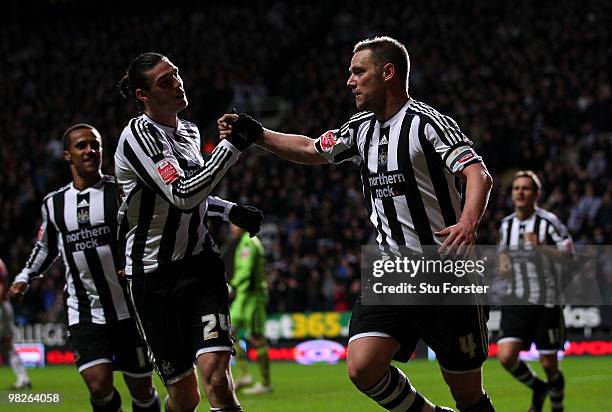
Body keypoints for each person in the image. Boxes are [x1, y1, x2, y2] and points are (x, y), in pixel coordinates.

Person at [219, 36, 494, 412]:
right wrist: (258, 135)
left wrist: (467, 222)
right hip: (393, 269)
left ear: (388, 73)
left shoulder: (426, 124)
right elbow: (311, 149)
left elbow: (478, 174)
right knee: (362, 368)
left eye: (358, 72)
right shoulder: (360, 129)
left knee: (468, 396)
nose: (349, 80)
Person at [114, 52, 261, 412]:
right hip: (152, 278)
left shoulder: (190, 132)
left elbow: (193, 194)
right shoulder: (137, 137)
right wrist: (230, 147)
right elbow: (181, 194)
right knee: (184, 395)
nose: (177, 82)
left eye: (176, 74)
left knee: (216, 377)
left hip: (200, 268)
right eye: (165, 81)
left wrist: (230, 211)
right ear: (142, 96)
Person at [9, 124, 161, 412]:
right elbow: (45, 247)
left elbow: (148, 234)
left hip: (131, 309)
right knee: (98, 385)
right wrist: (24, 277)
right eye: (82, 146)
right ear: (68, 155)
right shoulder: (54, 204)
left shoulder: (121, 192)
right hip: (85, 310)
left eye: (96, 145)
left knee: (142, 390)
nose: (91, 150)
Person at [497, 171, 571, 412]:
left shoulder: (548, 223)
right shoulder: (506, 224)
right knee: (506, 357)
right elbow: (503, 254)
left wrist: (541, 248)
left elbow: (569, 255)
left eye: (525, 188)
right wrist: (503, 264)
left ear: (536, 194)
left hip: (546, 302)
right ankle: (538, 388)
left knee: (549, 363)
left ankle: (557, 406)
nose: (520, 192)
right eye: (516, 188)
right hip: (516, 300)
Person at [227, 223, 271, 395]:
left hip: (253, 297)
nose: (231, 227)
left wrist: (232, 286)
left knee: (256, 337)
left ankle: (265, 383)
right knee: (230, 332)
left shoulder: (249, 243)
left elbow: (246, 272)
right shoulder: (243, 243)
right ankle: (245, 375)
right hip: (243, 297)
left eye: (234, 224)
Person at [0, 258, 31, 390]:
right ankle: (23, 378)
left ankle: (23, 379)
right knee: (7, 344)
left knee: (7, 344)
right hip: (4, 306)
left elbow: (0, 285)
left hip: (0, 307)